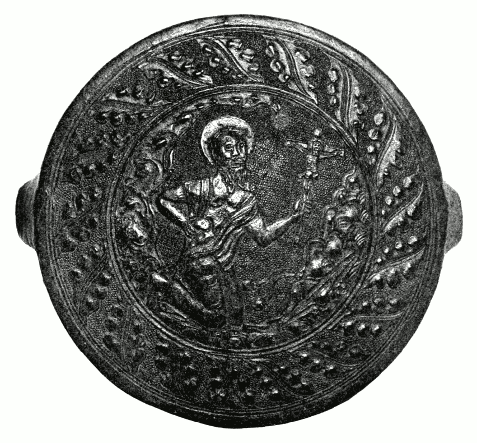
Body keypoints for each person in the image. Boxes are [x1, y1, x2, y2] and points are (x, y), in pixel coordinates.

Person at [157, 116, 308, 329]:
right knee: (216, 319)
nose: (237, 154)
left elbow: (263, 236)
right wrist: (185, 222)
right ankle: (168, 289)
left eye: (241, 147)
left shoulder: (247, 200)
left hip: (225, 268)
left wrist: (292, 218)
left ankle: (170, 290)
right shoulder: (201, 188)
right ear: (216, 155)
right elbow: (163, 199)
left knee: (236, 319)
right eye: (229, 148)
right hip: (200, 263)